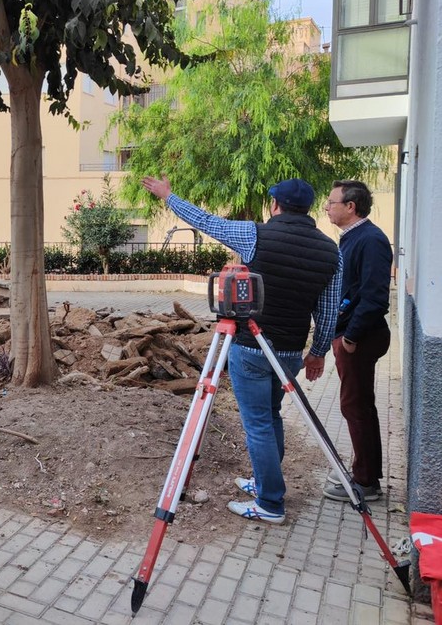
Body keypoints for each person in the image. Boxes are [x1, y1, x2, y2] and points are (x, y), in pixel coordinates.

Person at [141, 175, 341, 524]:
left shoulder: (255, 234)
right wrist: (319, 352)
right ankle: (266, 484)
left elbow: (206, 221)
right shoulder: (331, 252)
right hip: (290, 352)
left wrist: (169, 196)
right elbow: (328, 310)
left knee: (259, 424)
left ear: (275, 206)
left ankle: (270, 503)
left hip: (251, 346)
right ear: (308, 209)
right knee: (271, 416)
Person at [315, 180, 392, 502]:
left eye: (331, 202)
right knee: (358, 405)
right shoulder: (353, 238)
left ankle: (365, 483)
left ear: (351, 206)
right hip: (351, 334)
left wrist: (351, 336)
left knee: (355, 406)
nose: (326, 208)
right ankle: (365, 471)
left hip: (360, 338)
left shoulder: (370, 240)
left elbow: (375, 297)